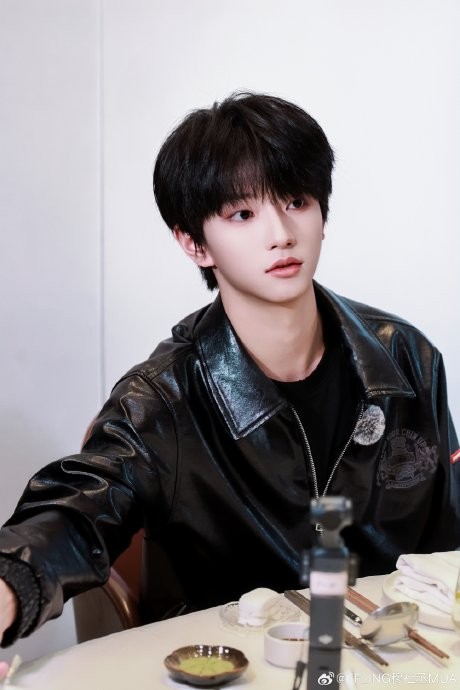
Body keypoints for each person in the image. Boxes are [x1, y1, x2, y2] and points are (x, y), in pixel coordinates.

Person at [0, 92, 459, 648]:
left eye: (296, 201)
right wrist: (11, 583)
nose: (280, 233)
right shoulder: (162, 399)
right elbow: (78, 510)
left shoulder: (407, 359)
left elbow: (449, 545)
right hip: (232, 668)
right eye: (242, 214)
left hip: (394, 661)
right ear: (195, 243)